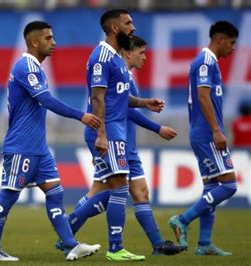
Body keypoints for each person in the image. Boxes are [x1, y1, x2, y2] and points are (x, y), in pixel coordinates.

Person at [0, 21, 103, 262]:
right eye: (48, 38)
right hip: (21, 146)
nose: (54, 42)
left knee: (55, 192)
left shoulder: (36, 68)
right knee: (8, 196)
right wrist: (81, 115)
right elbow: (46, 100)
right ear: (34, 41)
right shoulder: (25, 66)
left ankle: (70, 245)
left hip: (39, 147)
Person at [57, 35, 186, 256]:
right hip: (113, 139)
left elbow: (125, 103)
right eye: (141, 52)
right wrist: (156, 129)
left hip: (124, 141)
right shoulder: (112, 67)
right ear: (128, 53)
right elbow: (120, 107)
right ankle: (71, 233)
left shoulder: (124, 74)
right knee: (112, 191)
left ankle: (158, 244)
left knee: (137, 192)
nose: (145, 57)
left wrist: (145, 103)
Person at [78, 9, 166, 261]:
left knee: (114, 189)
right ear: (115, 28)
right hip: (110, 133)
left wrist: (144, 102)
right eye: (128, 23)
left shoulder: (116, 58)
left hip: (116, 132)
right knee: (118, 189)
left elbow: (119, 97)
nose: (133, 27)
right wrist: (102, 134)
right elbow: (98, 97)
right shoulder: (101, 56)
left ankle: (68, 229)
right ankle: (115, 248)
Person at [169, 21, 239, 256]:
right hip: (207, 133)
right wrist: (217, 130)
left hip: (203, 132)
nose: (233, 48)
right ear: (220, 39)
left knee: (211, 186)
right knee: (229, 185)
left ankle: (205, 243)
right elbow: (203, 97)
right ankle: (182, 219)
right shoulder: (206, 61)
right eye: (231, 42)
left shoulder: (209, 63)